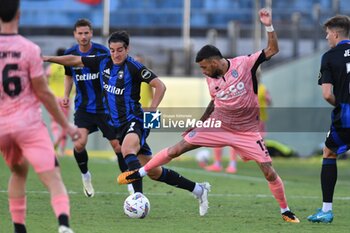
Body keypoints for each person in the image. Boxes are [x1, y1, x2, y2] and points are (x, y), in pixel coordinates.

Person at [117, 8, 300, 223]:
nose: (203, 71)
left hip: (247, 131)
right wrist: (199, 124)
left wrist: (268, 24)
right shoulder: (211, 79)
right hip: (219, 124)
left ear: (215, 61)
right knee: (178, 148)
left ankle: (285, 210)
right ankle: (139, 173)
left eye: (204, 67)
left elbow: (273, 49)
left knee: (268, 171)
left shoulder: (245, 63)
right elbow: (214, 102)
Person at [43, 30, 211, 216]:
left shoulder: (134, 67)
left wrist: (152, 108)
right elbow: (75, 60)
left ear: (127, 49)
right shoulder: (103, 61)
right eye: (112, 50)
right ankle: (198, 189)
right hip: (118, 125)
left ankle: (137, 198)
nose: (116, 54)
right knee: (153, 171)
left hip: (136, 119)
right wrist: (47, 58)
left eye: (120, 50)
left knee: (126, 150)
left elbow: (160, 85)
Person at [0, 1, 80, 232]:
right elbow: (43, 93)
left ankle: (19, 228)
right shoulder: (29, 49)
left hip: (2, 128)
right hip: (27, 124)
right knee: (53, 177)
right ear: (19, 14)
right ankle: (64, 226)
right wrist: (66, 125)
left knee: (18, 171)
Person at [63, 18, 127, 198]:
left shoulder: (102, 52)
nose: (83, 36)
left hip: (105, 108)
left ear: (91, 33)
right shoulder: (70, 54)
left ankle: (130, 186)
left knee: (118, 147)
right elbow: (68, 76)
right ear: (75, 35)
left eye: (86, 33)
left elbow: (113, 72)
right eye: (80, 33)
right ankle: (85, 176)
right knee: (79, 143)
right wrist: (66, 95)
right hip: (84, 109)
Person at [307, 15, 350, 223]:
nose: (326, 37)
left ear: (335, 33)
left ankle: (326, 210)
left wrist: (341, 105)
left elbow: (326, 94)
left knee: (329, 152)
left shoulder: (330, 57)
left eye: (327, 34)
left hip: (347, 114)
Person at [46, 48, 71, 157]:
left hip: (54, 98)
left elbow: (44, 81)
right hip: (66, 98)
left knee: (55, 123)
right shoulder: (68, 66)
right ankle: (62, 149)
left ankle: (56, 140)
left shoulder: (51, 68)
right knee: (65, 123)